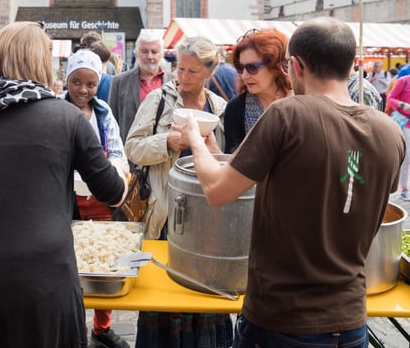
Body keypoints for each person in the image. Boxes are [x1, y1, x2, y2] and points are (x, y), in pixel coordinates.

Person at [173, 17, 405, 348]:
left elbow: (217, 191)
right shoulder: (390, 132)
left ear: (295, 65)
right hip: (352, 322)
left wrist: (195, 139)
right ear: (352, 64)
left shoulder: (286, 115)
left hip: (281, 321)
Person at [0, 21, 129, 348]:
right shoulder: (68, 118)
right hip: (39, 283)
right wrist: (120, 166)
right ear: (40, 62)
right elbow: (113, 193)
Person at [125, 36, 230, 347]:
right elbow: (133, 147)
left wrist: (211, 148)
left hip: (206, 219)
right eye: (179, 68)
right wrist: (167, 143)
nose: (182, 77)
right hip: (164, 216)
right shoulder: (158, 101)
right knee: (162, 297)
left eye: (192, 72)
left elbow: (227, 162)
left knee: (201, 297)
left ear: (209, 72)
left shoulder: (218, 107)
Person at [64, 49, 129, 348]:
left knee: (104, 264)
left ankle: (102, 328)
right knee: (69, 263)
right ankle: (71, 325)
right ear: (67, 80)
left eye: (91, 84)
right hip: (69, 197)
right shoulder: (57, 109)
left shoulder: (103, 111)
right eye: (76, 82)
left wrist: (111, 168)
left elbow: (116, 152)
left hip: (101, 198)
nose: (83, 90)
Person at [224, 29, 292, 153]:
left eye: (252, 67)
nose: (244, 75)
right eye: (240, 67)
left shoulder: (304, 100)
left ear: (276, 65)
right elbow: (232, 161)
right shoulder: (237, 108)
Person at [109, 30, 173, 144]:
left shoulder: (174, 83)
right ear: (137, 53)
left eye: (154, 52)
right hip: (131, 155)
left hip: (165, 154)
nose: (149, 56)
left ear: (161, 54)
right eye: (144, 51)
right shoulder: (119, 82)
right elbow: (111, 122)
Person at [387, 74, 410, 201]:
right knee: (407, 156)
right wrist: (402, 104)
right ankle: (404, 189)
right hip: (405, 123)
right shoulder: (404, 81)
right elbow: (390, 98)